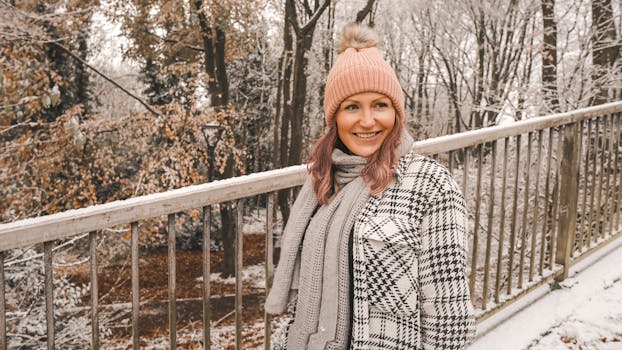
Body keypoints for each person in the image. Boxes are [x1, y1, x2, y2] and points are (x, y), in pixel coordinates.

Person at [265, 23, 475, 350]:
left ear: (396, 112)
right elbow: (303, 304)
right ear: (335, 118)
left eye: (380, 104)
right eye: (352, 107)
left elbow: (449, 322)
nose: (367, 121)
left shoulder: (429, 183)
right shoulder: (321, 183)